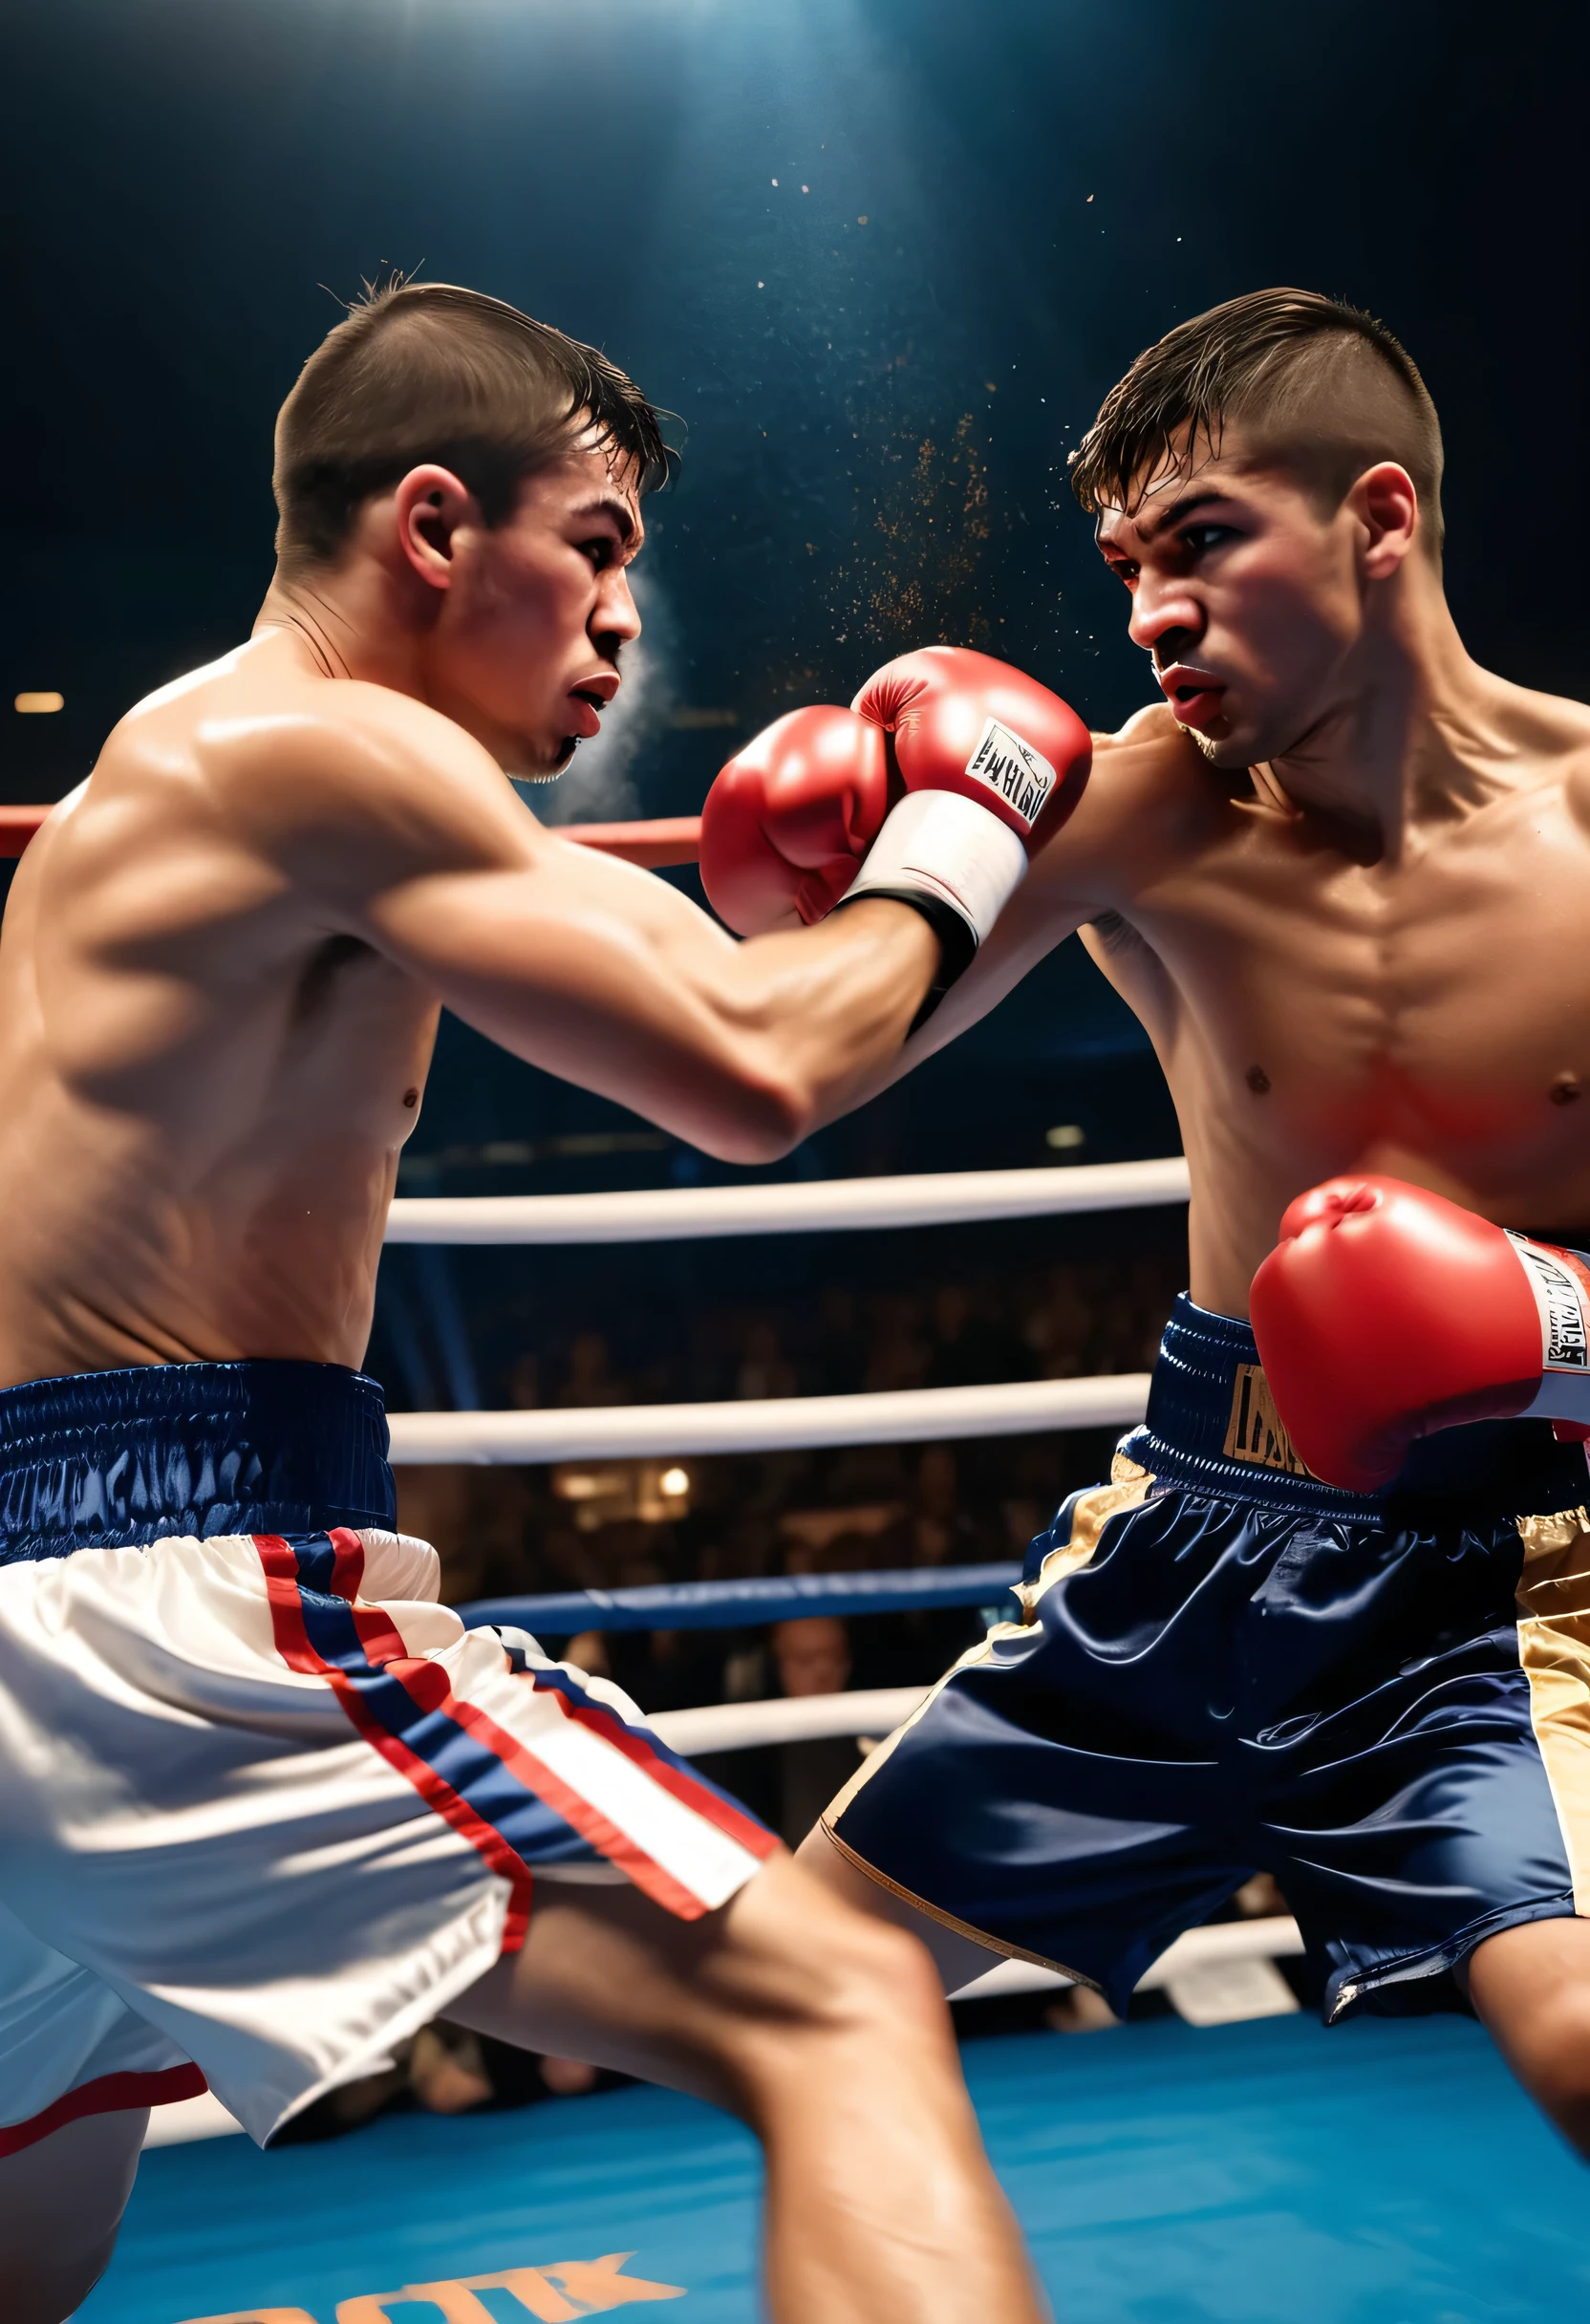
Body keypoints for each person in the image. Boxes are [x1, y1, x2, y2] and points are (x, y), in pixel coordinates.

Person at [0, 280, 1074, 2324]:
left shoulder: (214, 763)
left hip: (30, 1585)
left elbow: (768, 1008)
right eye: (593, 551)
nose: (619, 626)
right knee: (836, 1998)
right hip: (153, 1594)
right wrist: (969, 819)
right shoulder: (322, 751)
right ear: (430, 526)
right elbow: (757, 1066)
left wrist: (892, 907)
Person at [716, 288, 1590, 2156]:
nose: (1149, 613)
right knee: (787, 1988)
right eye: (1122, 565)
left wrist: (1541, 1321)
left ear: (1379, 517)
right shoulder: (1145, 812)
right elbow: (795, 1059)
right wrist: (846, 876)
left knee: (1581, 2039)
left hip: (1520, 1571)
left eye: (1200, 542)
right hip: (1191, 1543)